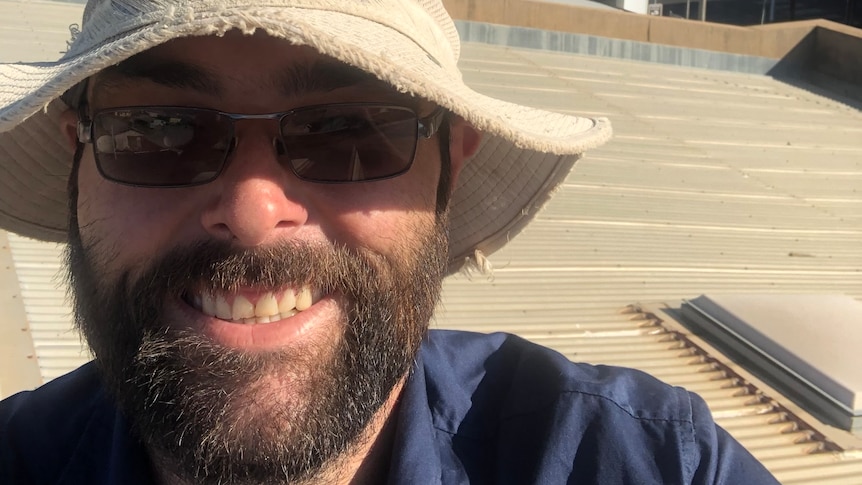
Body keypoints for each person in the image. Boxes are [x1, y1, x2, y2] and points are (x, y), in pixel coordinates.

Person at [0, 0, 780, 484]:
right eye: (158, 129)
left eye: (348, 130)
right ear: (79, 163)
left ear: (450, 170)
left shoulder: (650, 462)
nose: (250, 208)